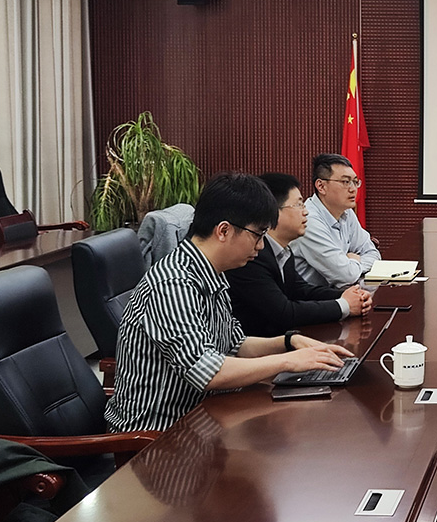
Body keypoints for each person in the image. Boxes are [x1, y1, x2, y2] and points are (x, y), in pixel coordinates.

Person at [105, 173, 354, 433]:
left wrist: (289, 342)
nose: (261, 246)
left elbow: (234, 344)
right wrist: (288, 362)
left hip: (204, 416)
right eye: (257, 235)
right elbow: (208, 372)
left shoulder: (213, 272)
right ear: (223, 231)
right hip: (158, 435)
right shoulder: (173, 284)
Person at [226, 172, 373, 337]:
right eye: (298, 205)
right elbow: (284, 313)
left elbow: (300, 290)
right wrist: (344, 306)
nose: (306, 212)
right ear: (272, 211)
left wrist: (348, 295)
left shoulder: (282, 249)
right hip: (256, 346)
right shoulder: (252, 256)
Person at [291, 153, 381, 289]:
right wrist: (352, 262)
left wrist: (352, 262)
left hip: (337, 293)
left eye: (355, 182)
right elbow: (345, 276)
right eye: (345, 182)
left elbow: (373, 253)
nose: (353, 189)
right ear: (321, 186)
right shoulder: (308, 221)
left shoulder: (346, 213)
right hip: (309, 298)